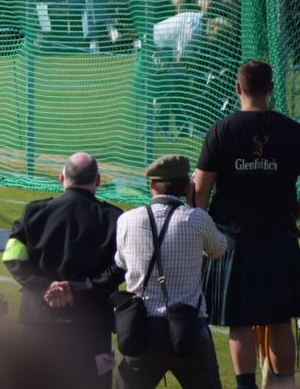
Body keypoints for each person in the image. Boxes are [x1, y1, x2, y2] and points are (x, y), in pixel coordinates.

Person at [194, 59, 300, 389]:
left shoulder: (222, 130)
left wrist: (200, 234)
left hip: (232, 240)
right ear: (271, 90)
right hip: (279, 235)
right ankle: (284, 383)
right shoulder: (293, 130)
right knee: (281, 317)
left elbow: (200, 190)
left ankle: (245, 386)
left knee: (239, 320)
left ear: (238, 88)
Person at [2, 152, 123, 389]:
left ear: (61, 178)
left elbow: (12, 257)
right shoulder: (113, 218)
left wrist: (45, 288)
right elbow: (121, 268)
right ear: (98, 181)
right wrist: (76, 290)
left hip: (39, 322)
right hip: (90, 326)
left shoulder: (33, 212)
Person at [115, 155, 226, 389]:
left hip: (141, 326)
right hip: (188, 325)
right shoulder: (196, 218)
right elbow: (219, 249)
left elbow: (121, 262)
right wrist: (195, 205)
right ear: (187, 186)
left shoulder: (127, 220)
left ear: (152, 185)